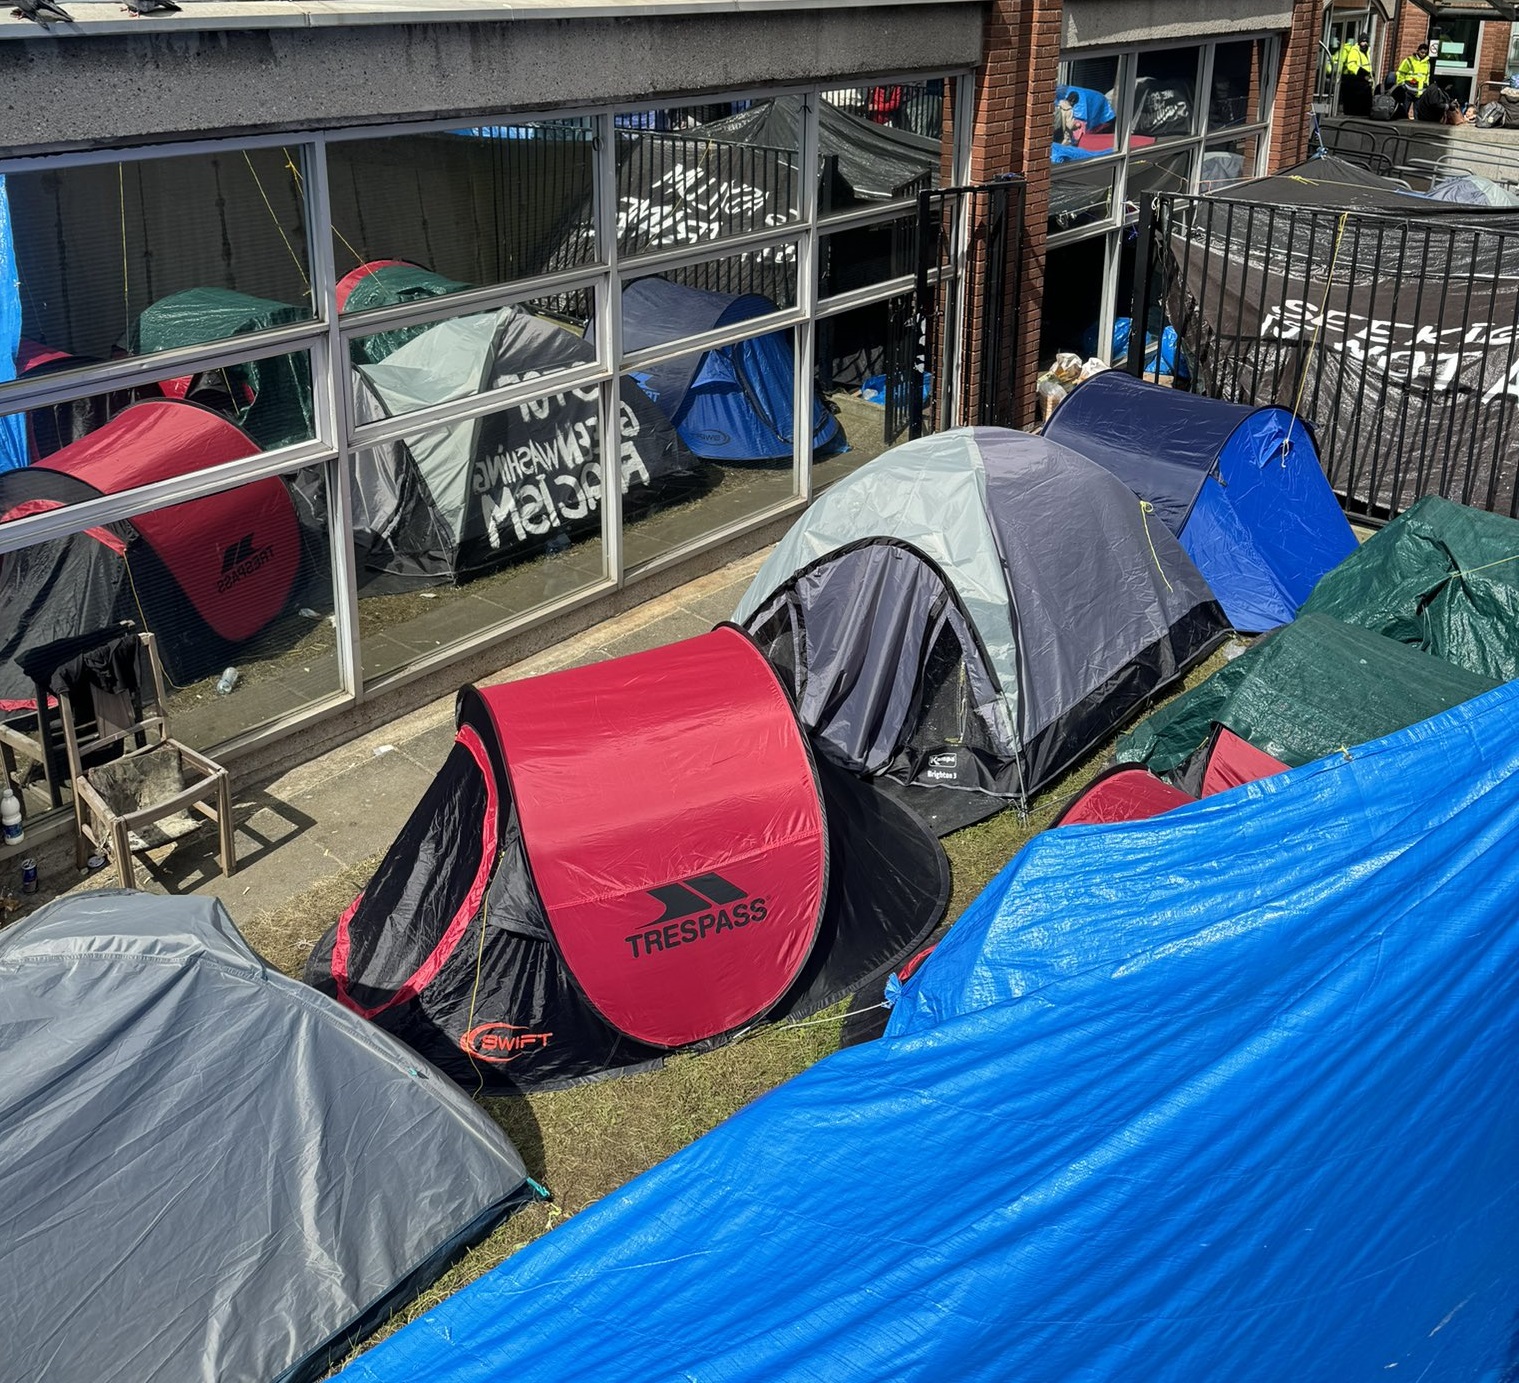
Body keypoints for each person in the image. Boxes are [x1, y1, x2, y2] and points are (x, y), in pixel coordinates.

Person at [1338, 31, 1375, 117]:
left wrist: (1370, 74)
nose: (1364, 44)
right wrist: (1362, 72)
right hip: (1356, 80)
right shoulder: (1354, 51)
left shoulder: (1367, 51)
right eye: (1362, 41)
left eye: (1366, 42)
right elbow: (1351, 65)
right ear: (1359, 42)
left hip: (1366, 80)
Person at [1393, 41, 1431, 119]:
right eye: (1422, 52)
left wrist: (1426, 87)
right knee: (1404, 110)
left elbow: (1427, 76)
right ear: (1418, 51)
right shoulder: (1409, 61)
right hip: (1408, 89)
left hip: (1420, 92)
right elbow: (1400, 73)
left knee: (1417, 114)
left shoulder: (1427, 63)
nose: (1423, 54)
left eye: (1425, 53)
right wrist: (1402, 84)